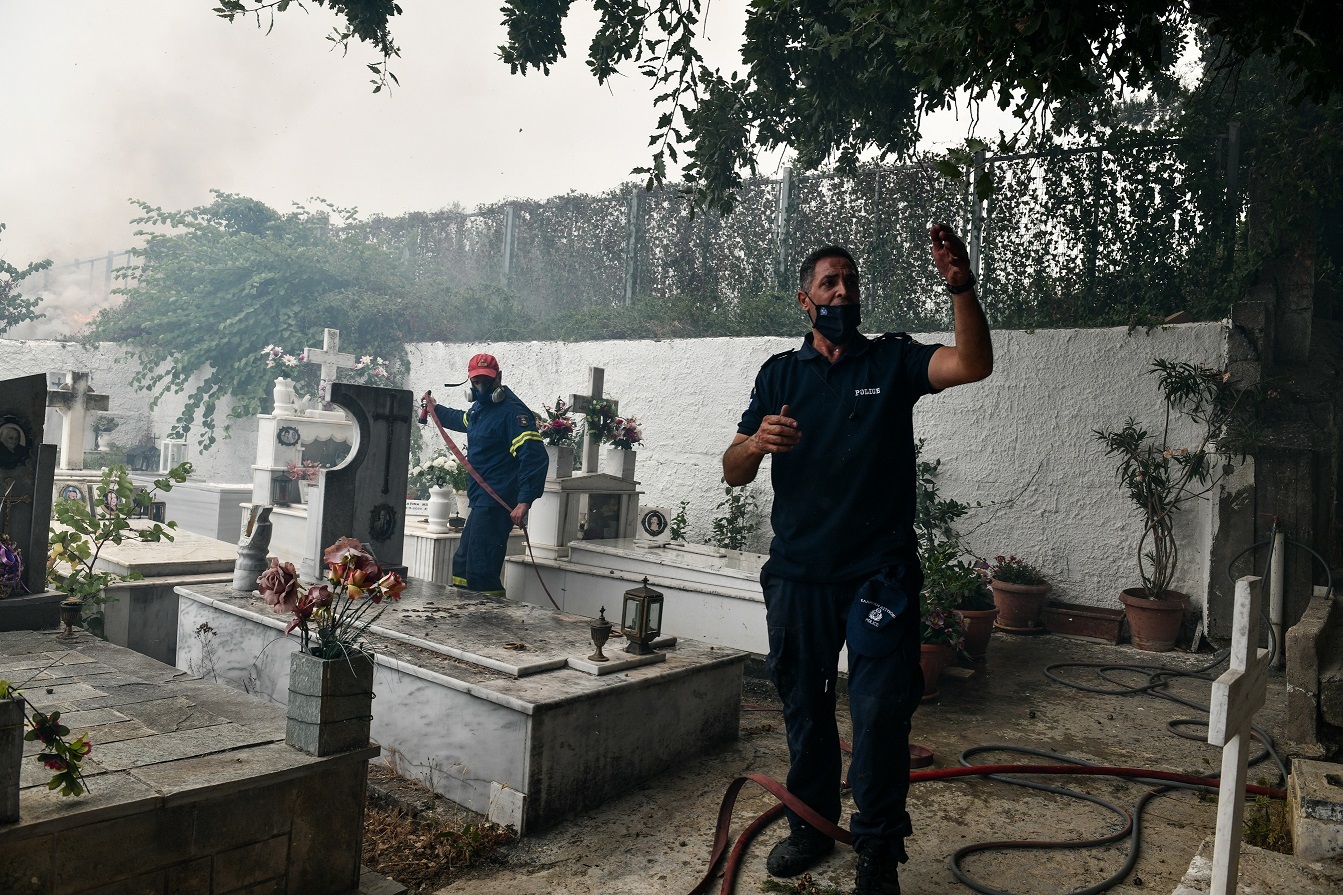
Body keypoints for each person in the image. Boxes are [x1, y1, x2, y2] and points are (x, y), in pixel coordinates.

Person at [722, 224, 993, 895]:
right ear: (804, 300)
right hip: (798, 575)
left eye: (850, 281)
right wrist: (756, 443)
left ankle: (877, 847)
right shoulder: (779, 374)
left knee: (878, 713)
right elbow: (731, 471)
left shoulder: (891, 363)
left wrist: (960, 286)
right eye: (828, 283)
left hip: (879, 573)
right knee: (804, 708)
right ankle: (811, 826)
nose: (843, 291)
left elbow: (971, 363)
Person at [421, 353, 547, 596]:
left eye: (486, 381)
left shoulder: (513, 413)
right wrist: (436, 409)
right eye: (476, 381)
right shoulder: (481, 408)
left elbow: (534, 457)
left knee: (481, 570)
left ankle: (488, 624)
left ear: (498, 378)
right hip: (480, 500)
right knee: (463, 563)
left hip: (497, 501)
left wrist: (524, 501)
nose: (480, 386)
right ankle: (464, 615)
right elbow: (463, 420)